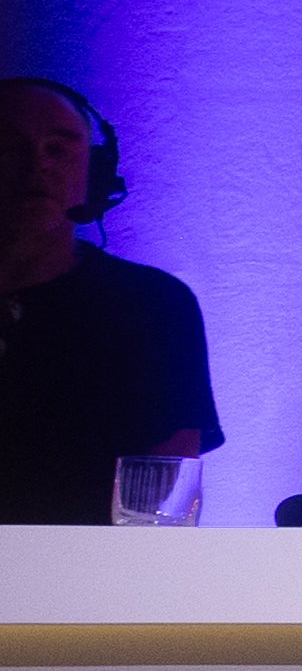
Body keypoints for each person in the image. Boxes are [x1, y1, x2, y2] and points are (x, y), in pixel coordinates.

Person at [0, 77, 216, 527]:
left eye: (58, 148)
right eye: (9, 146)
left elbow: (160, 507)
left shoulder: (152, 308)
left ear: (93, 175)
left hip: (89, 572)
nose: (38, 164)